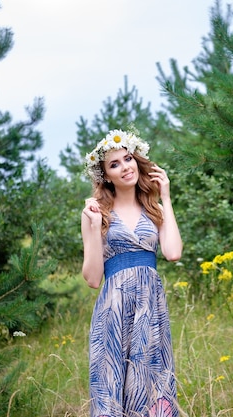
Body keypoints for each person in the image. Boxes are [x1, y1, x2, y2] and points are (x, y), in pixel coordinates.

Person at [81, 129, 183, 417]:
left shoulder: (155, 210)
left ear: (137, 160)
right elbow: (91, 278)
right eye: (114, 164)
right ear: (105, 176)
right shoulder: (95, 211)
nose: (125, 167)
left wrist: (166, 197)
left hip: (150, 309)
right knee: (111, 384)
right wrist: (93, 224)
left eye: (128, 159)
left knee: (150, 384)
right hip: (113, 310)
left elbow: (173, 253)